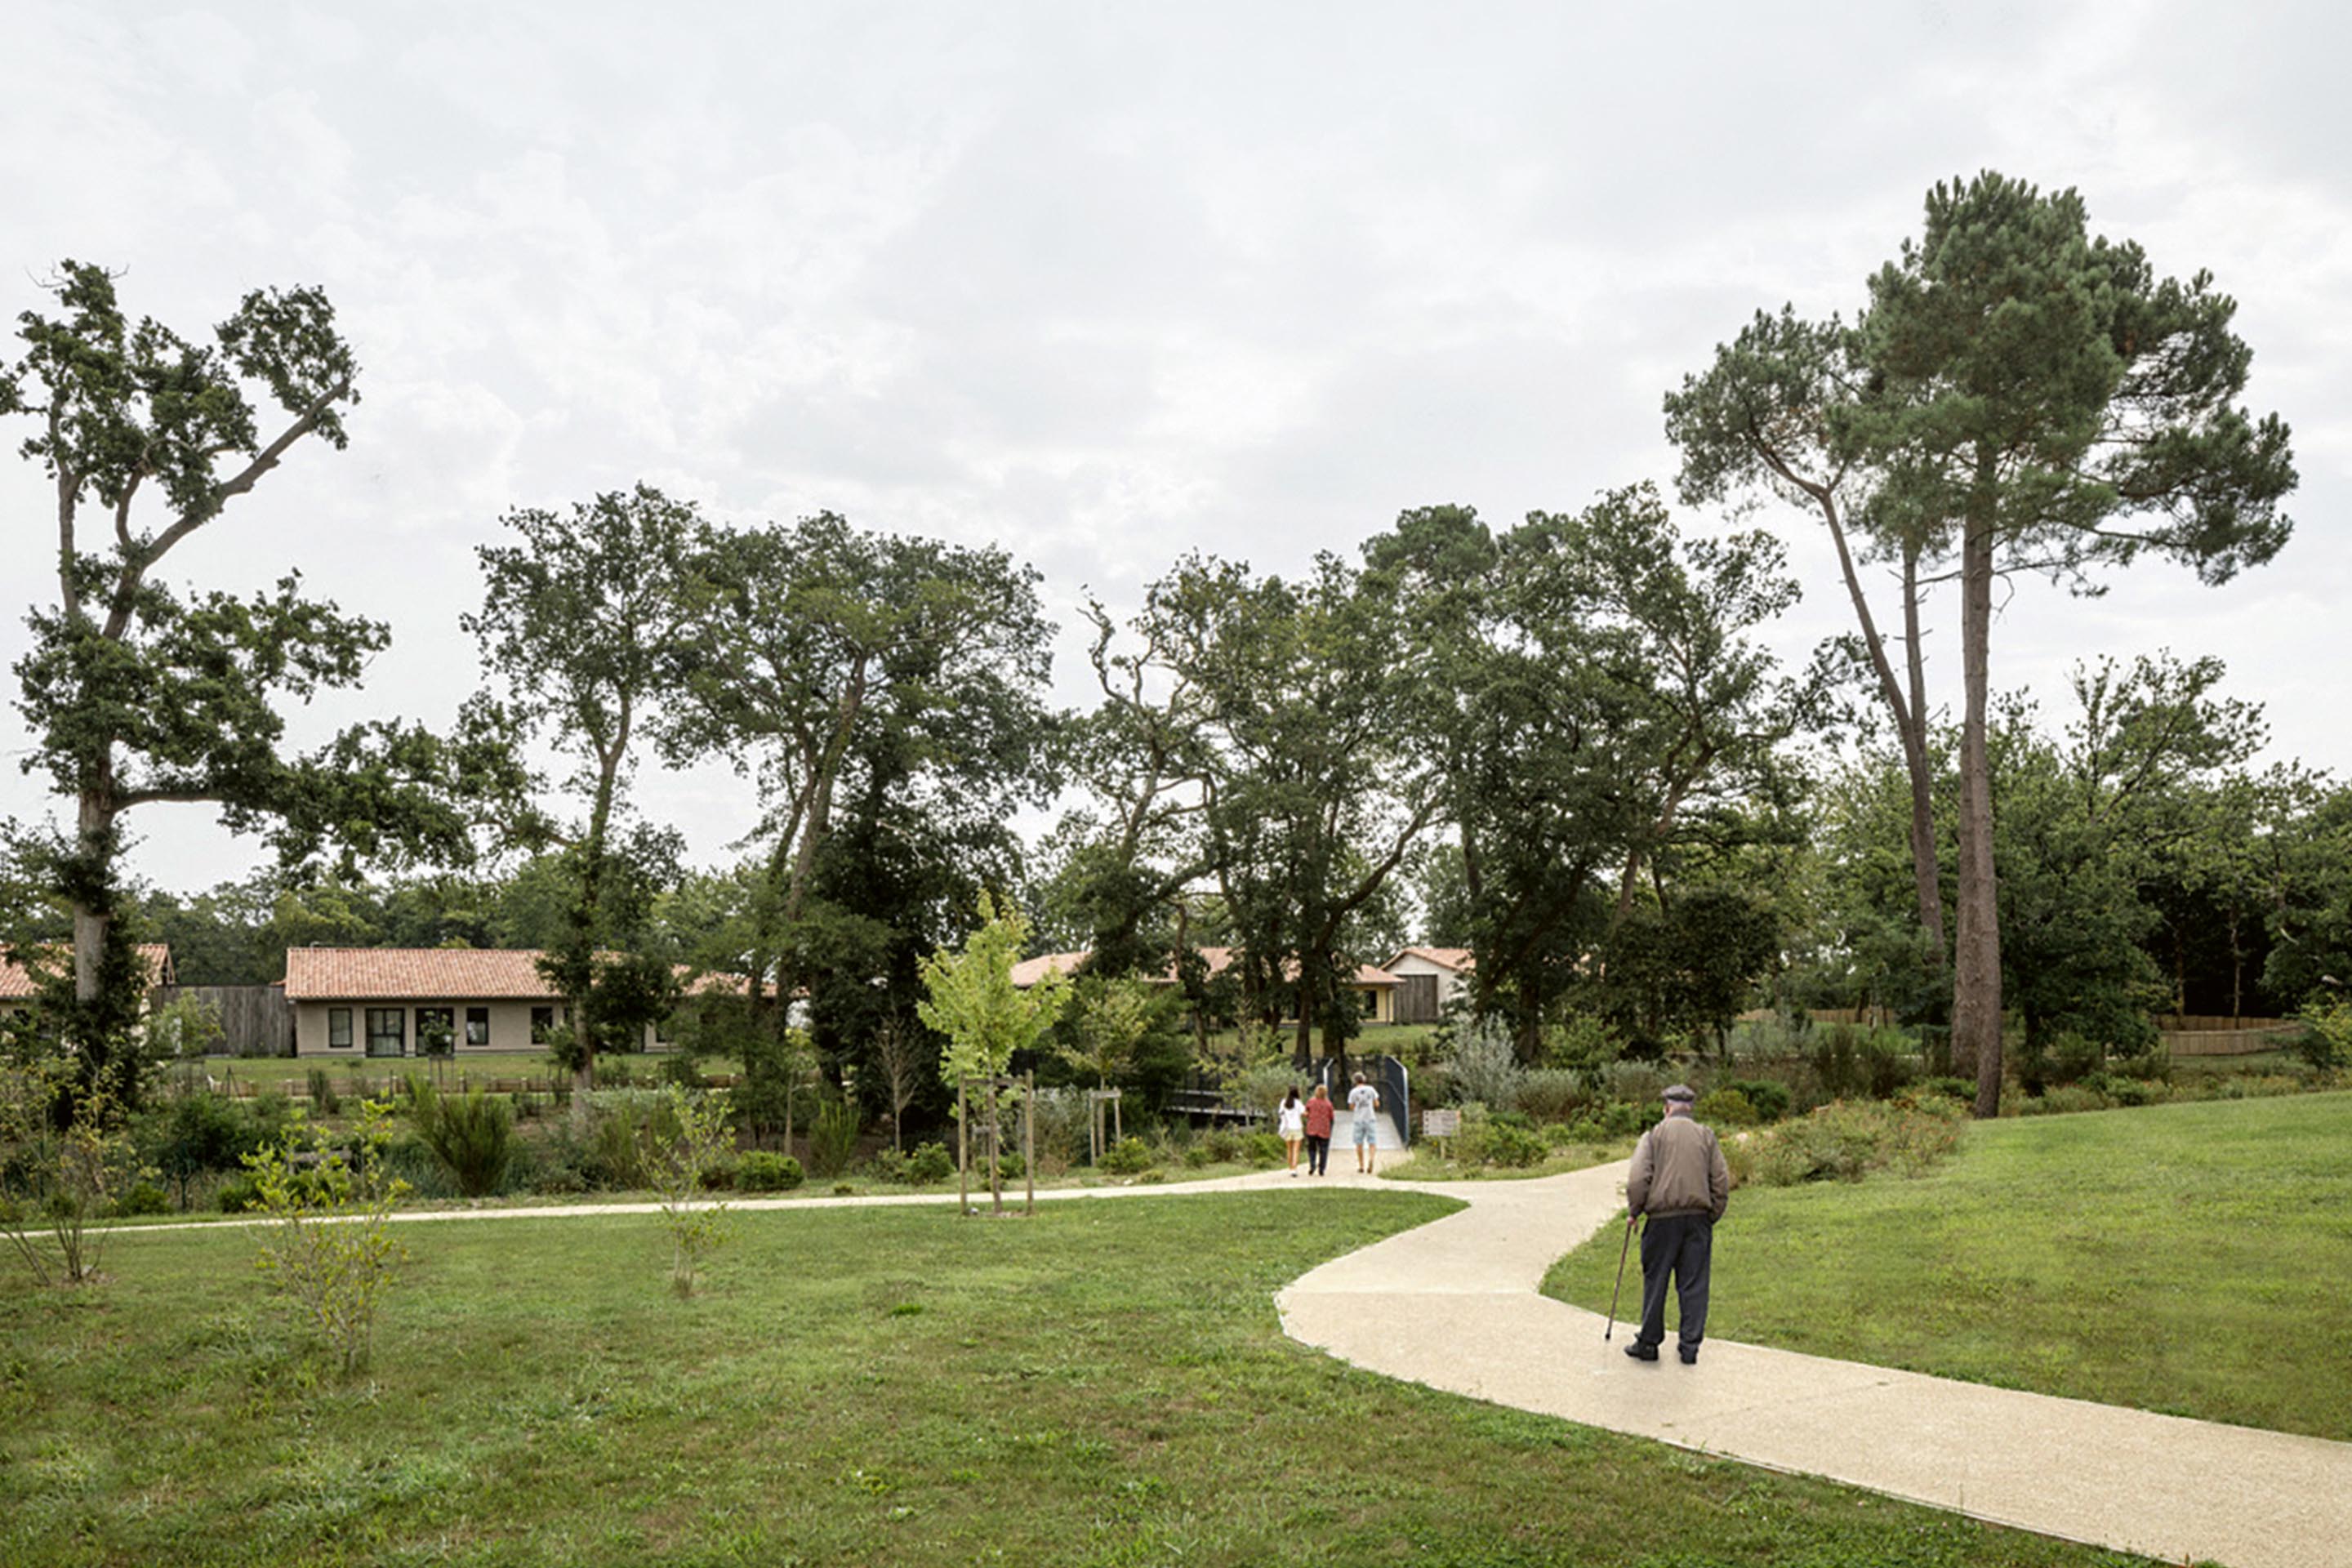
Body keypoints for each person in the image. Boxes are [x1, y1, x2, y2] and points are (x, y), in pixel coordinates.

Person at [1622, 1083, 1731, 1366]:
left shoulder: (1653, 1135)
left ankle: (1648, 1342)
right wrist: (1711, 1214)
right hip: (1697, 1219)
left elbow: (1638, 1178)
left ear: (1667, 1108)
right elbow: (1720, 1180)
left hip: (1661, 1221)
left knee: (1656, 1281)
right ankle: (1689, 1347)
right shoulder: (1706, 1136)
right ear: (1690, 1108)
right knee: (1694, 1283)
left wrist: (1635, 1210)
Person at [1347, 1071, 1382, 1174]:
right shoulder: (1371, 1089)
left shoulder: (1353, 1092)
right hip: (1370, 1118)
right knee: (1372, 1141)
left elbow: (1351, 1106)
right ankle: (1371, 1159)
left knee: (1359, 1143)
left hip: (1358, 1119)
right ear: (1364, 1080)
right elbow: (1376, 1104)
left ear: (1355, 1081)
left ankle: (1361, 1166)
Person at [1302, 1083, 1334, 1176]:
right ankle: (1322, 1168)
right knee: (1323, 1150)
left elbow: (1306, 1112)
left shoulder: (1311, 1101)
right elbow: (1331, 1117)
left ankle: (1312, 1164)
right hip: (1324, 1130)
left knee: (1312, 1148)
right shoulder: (1328, 1104)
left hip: (1312, 1128)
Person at [1277, 1088, 1306, 1175]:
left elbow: (1280, 1113)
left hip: (1287, 1128)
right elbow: (1304, 1113)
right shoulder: (1298, 1103)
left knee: (1289, 1150)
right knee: (1296, 1150)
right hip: (1297, 1127)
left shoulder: (1283, 1102)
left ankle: (1290, 1168)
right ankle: (1295, 1169)